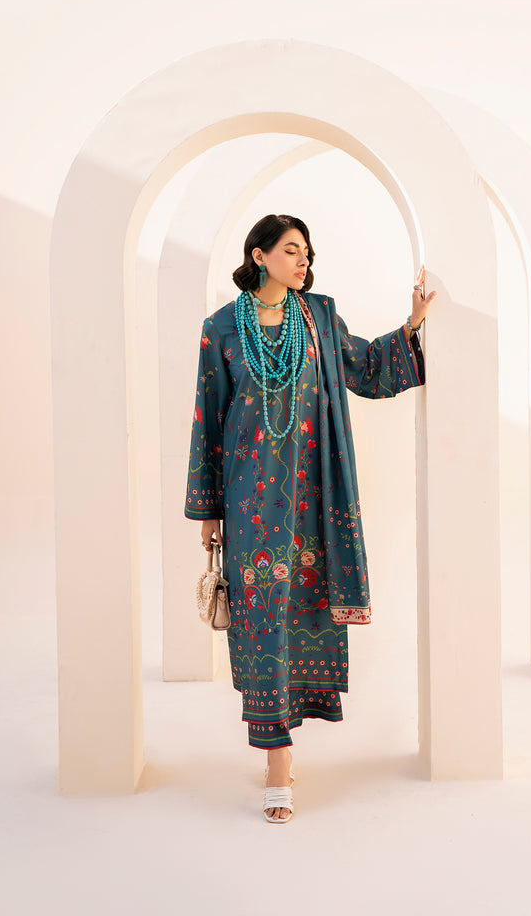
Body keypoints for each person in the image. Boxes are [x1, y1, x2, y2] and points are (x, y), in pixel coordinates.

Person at [184, 214, 436, 823]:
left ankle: (286, 747)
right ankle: (277, 761)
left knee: (306, 607)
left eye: (307, 252)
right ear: (259, 255)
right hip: (250, 501)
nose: (304, 261)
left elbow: (364, 368)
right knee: (261, 619)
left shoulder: (318, 317)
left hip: (314, 496)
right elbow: (207, 419)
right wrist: (208, 509)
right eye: (292, 250)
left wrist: (411, 328)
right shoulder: (221, 328)